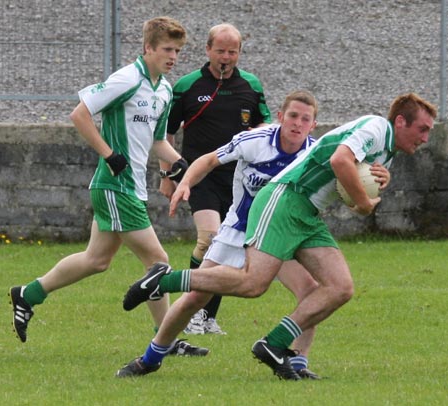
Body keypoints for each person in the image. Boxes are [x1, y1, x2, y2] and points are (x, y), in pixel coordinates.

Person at [121, 92, 437, 380]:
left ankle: (279, 349)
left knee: (339, 287)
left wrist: (366, 194)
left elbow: (348, 196)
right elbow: (341, 162)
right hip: (279, 203)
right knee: (247, 285)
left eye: (306, 119)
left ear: (313, 124)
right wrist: (367, 203)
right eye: (422, 129)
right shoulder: (376, 127)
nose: (426, 138)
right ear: (399, 120)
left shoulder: (384, 153)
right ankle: (161, 288)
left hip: (303, 215)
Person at [8, 16, 207, 356]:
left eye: (177, 50)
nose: (173, 56)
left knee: (96, 260)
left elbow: (157, 141)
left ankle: (28, 294)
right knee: (158, 261)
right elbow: (79, 114)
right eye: (166, 49)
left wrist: (180, 165)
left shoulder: (164, 89)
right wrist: (109, 154)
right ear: (148, 48)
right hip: (115, 186)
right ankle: (166, 340)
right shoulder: (127, 79)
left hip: (130, 188)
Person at [117, 90, 321, 378]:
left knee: (310, 292)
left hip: (279, 235)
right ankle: (149, 359)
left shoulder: (315, 154)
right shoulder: (255, 141)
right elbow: (209, 160)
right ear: (280, 117)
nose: (298, 123)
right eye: (293, 116)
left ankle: (299, 364)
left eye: (305, 119)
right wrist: (186, 182)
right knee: (196, 298)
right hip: (239, 230)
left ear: (313, 125)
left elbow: (342, 177)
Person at [159, 23, 272, 335]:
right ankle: (192, 312)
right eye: (220, 50)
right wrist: (167, 174)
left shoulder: (251, 84)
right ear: (208, 50)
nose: (226, 57)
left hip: (239, 180)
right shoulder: (186, 85)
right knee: (209, 238)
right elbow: (165, 133)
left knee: (226, 247)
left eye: (232, 51)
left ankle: (207, 317)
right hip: (200, 175)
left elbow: (267, 126)